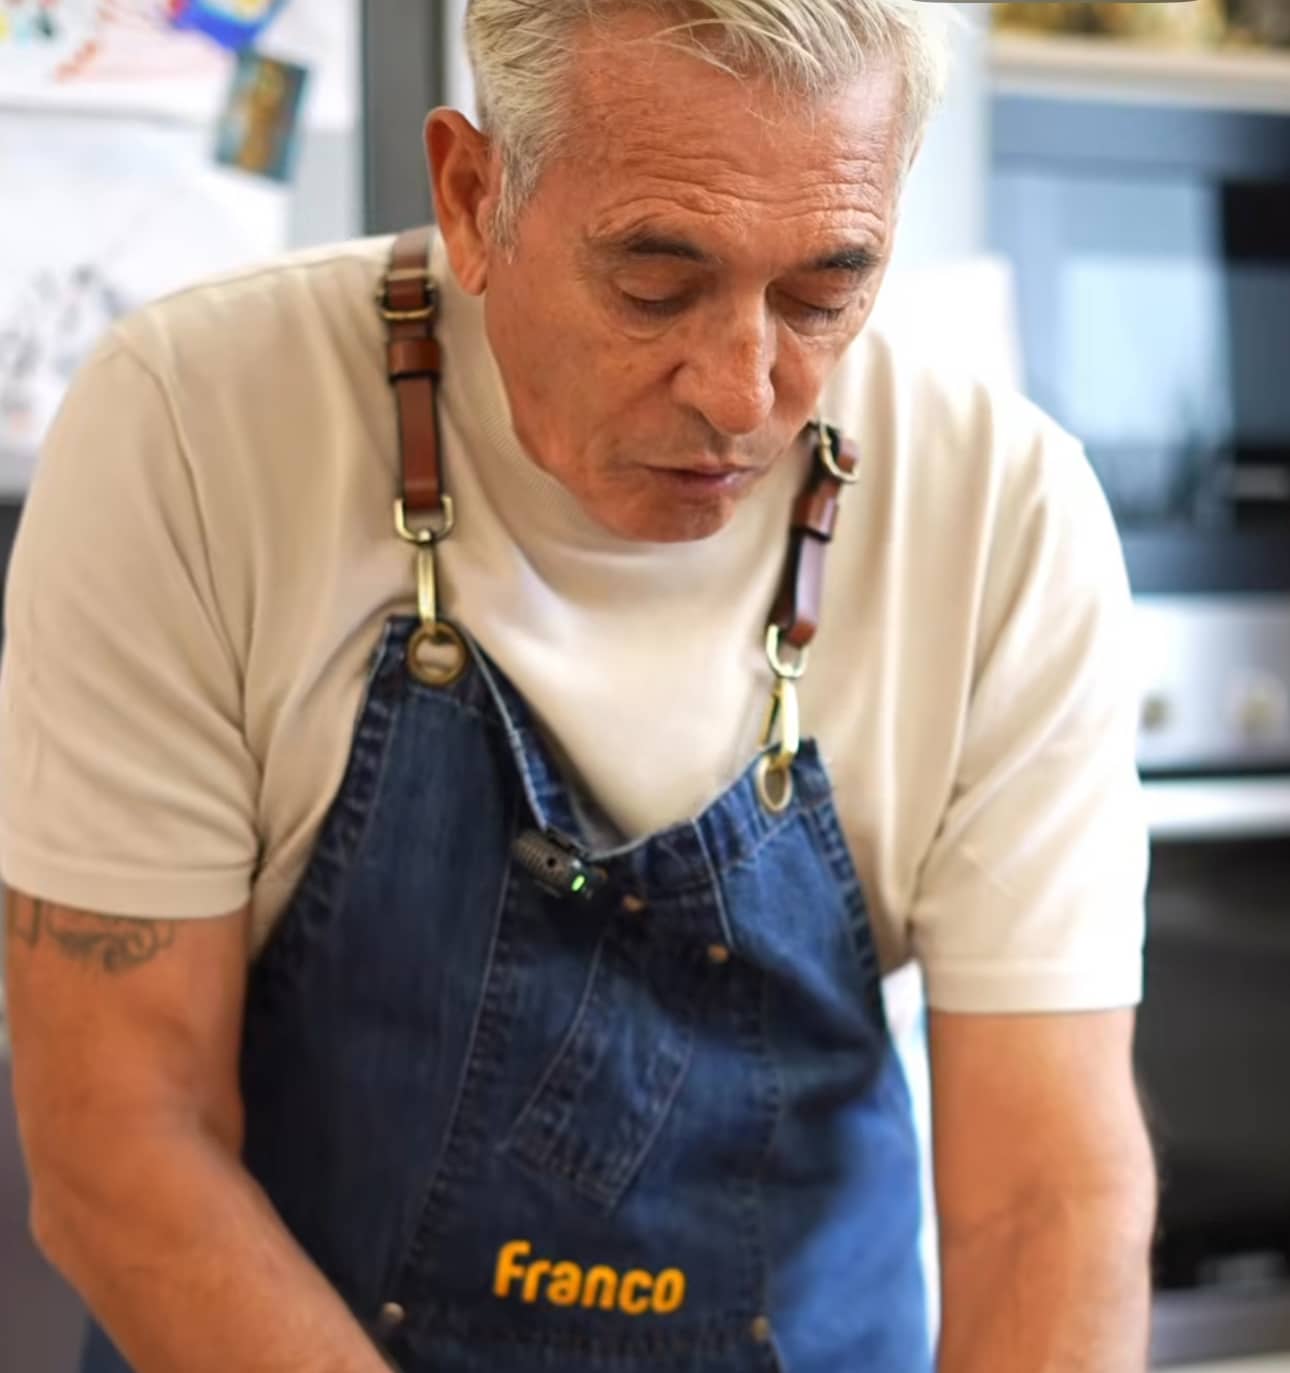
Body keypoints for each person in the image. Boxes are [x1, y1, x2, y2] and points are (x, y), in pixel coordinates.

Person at [2, 2, 1158, 1370]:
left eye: (823, 293)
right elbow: (124, 1138)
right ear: (471, 197)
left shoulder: (1002, 516)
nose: (741, 394)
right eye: (655, 286)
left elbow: (1046, 1202)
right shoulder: (195, 429)